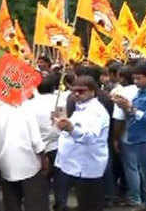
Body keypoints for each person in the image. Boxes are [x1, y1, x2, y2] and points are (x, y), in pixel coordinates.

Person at [114, 60, 146, 211]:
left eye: (139, 78)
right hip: (137, 138)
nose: (136, 82)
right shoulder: (140, 92)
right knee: (145, 176)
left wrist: (131, 108)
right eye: (134, 78)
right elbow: (133, 112)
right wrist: (124, 105)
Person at [54, 76, 110, 211]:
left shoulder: (96, 111)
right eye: (74, 91)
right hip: (74, 165)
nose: (77, 94)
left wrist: (70, 129)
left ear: (93, 91)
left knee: (90, 204)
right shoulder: (80, 108)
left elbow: (89, 137)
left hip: (86, 167)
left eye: (81, 91)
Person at [0, 102, 49, 211]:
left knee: (11, 203)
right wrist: (44, 159)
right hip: (29, 165)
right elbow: (36, 140)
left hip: (6, 166)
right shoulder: (26, 107)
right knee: (35, 203)